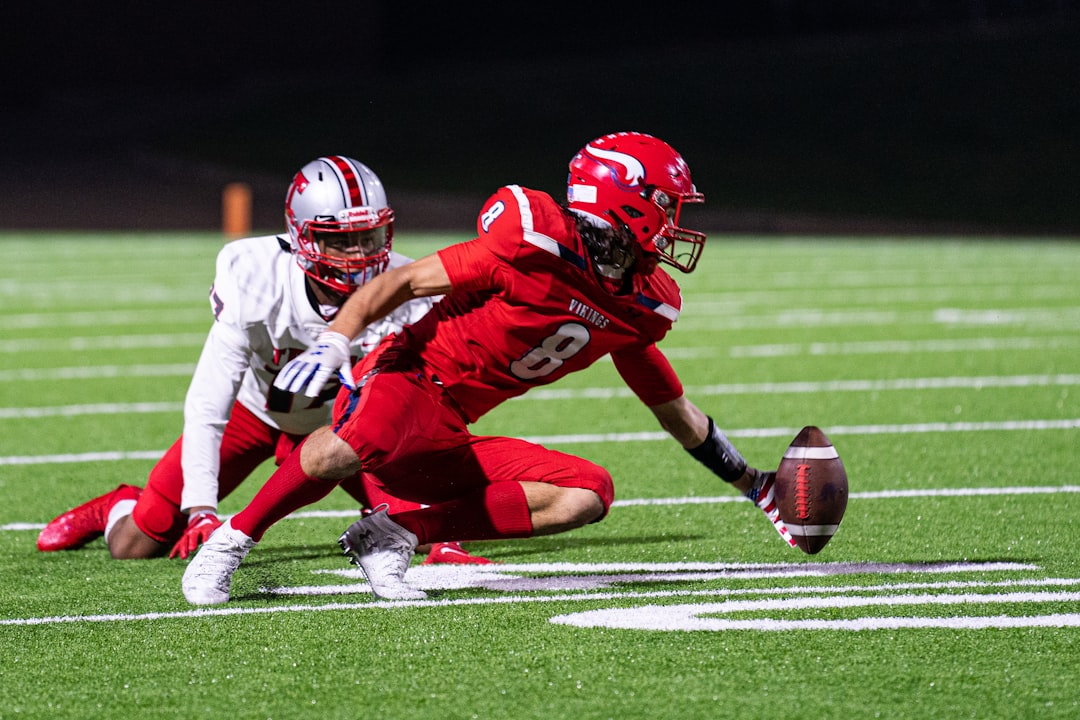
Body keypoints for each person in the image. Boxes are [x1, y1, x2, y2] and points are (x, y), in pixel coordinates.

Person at [181, 132, 795, 605]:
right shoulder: (531, 236)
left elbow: (674, 410)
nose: (677, 224)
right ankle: (232, 540)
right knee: (358, 439)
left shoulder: (643, 304)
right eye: (668, 206)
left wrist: (752, 484)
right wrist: (338, 343)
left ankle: (393, 535)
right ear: (626, 209)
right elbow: (406, 280)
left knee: (587, 494)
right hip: (406, 378)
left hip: (448, 429)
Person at [37, 155, 489, 566]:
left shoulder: (405, 288)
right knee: (134, 545)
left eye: (368, 238)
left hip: (344, 431)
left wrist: (443, 525)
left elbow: (424, 405)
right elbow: (209, 402)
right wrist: (201, 510)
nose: (359, 257)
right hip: (254, 413)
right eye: (341, 242)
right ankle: (117, 504)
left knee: (431, 530)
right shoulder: (255, 276)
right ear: (303, 238)